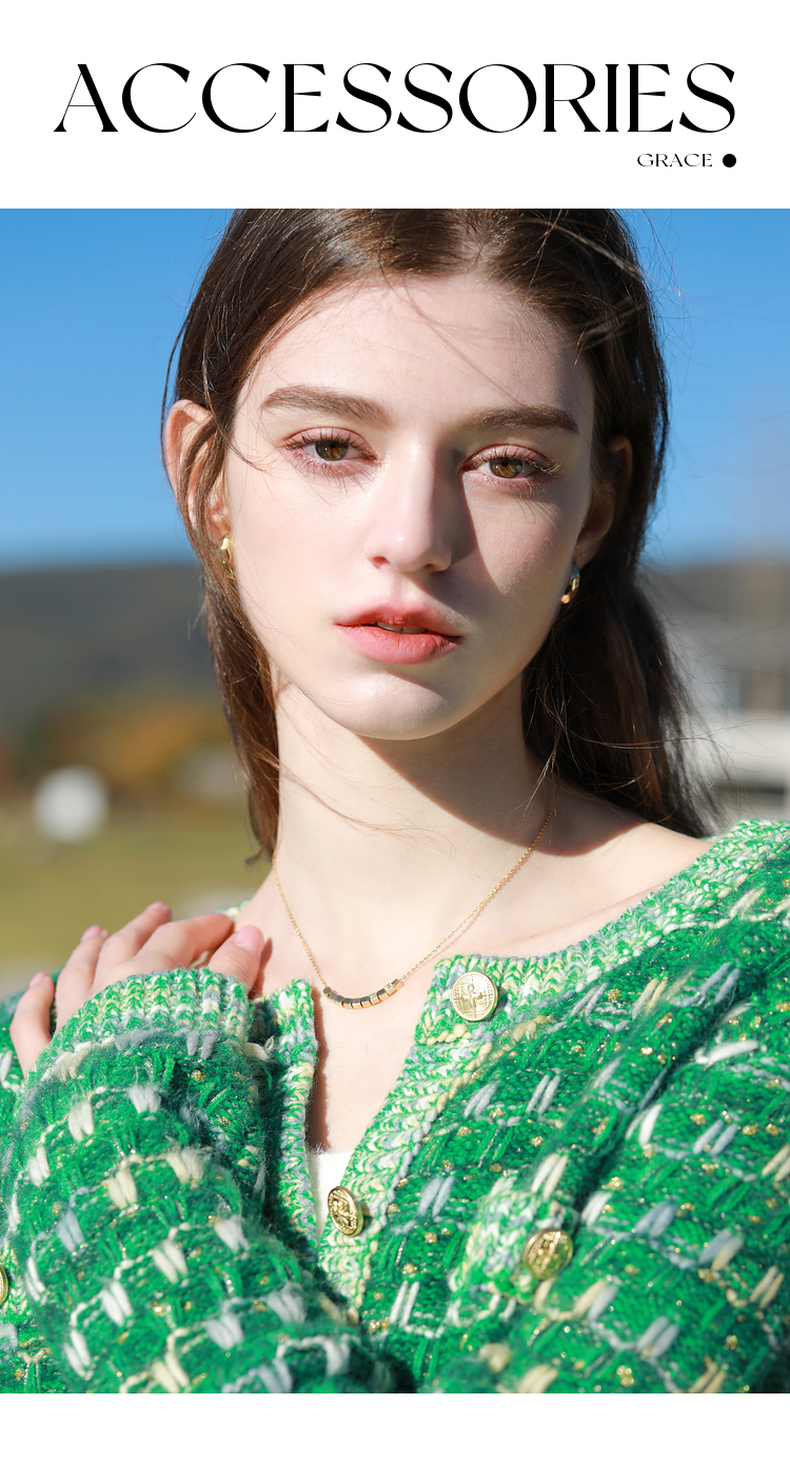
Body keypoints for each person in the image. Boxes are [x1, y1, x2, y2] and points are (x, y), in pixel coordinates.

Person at [1, 209, 788, 1395]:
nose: (414, 538)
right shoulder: (51, 1057)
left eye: (507, 460)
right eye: (330, 445)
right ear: (206, 479)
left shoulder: (750, 963)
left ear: (594, 506)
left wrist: (121, 1158)